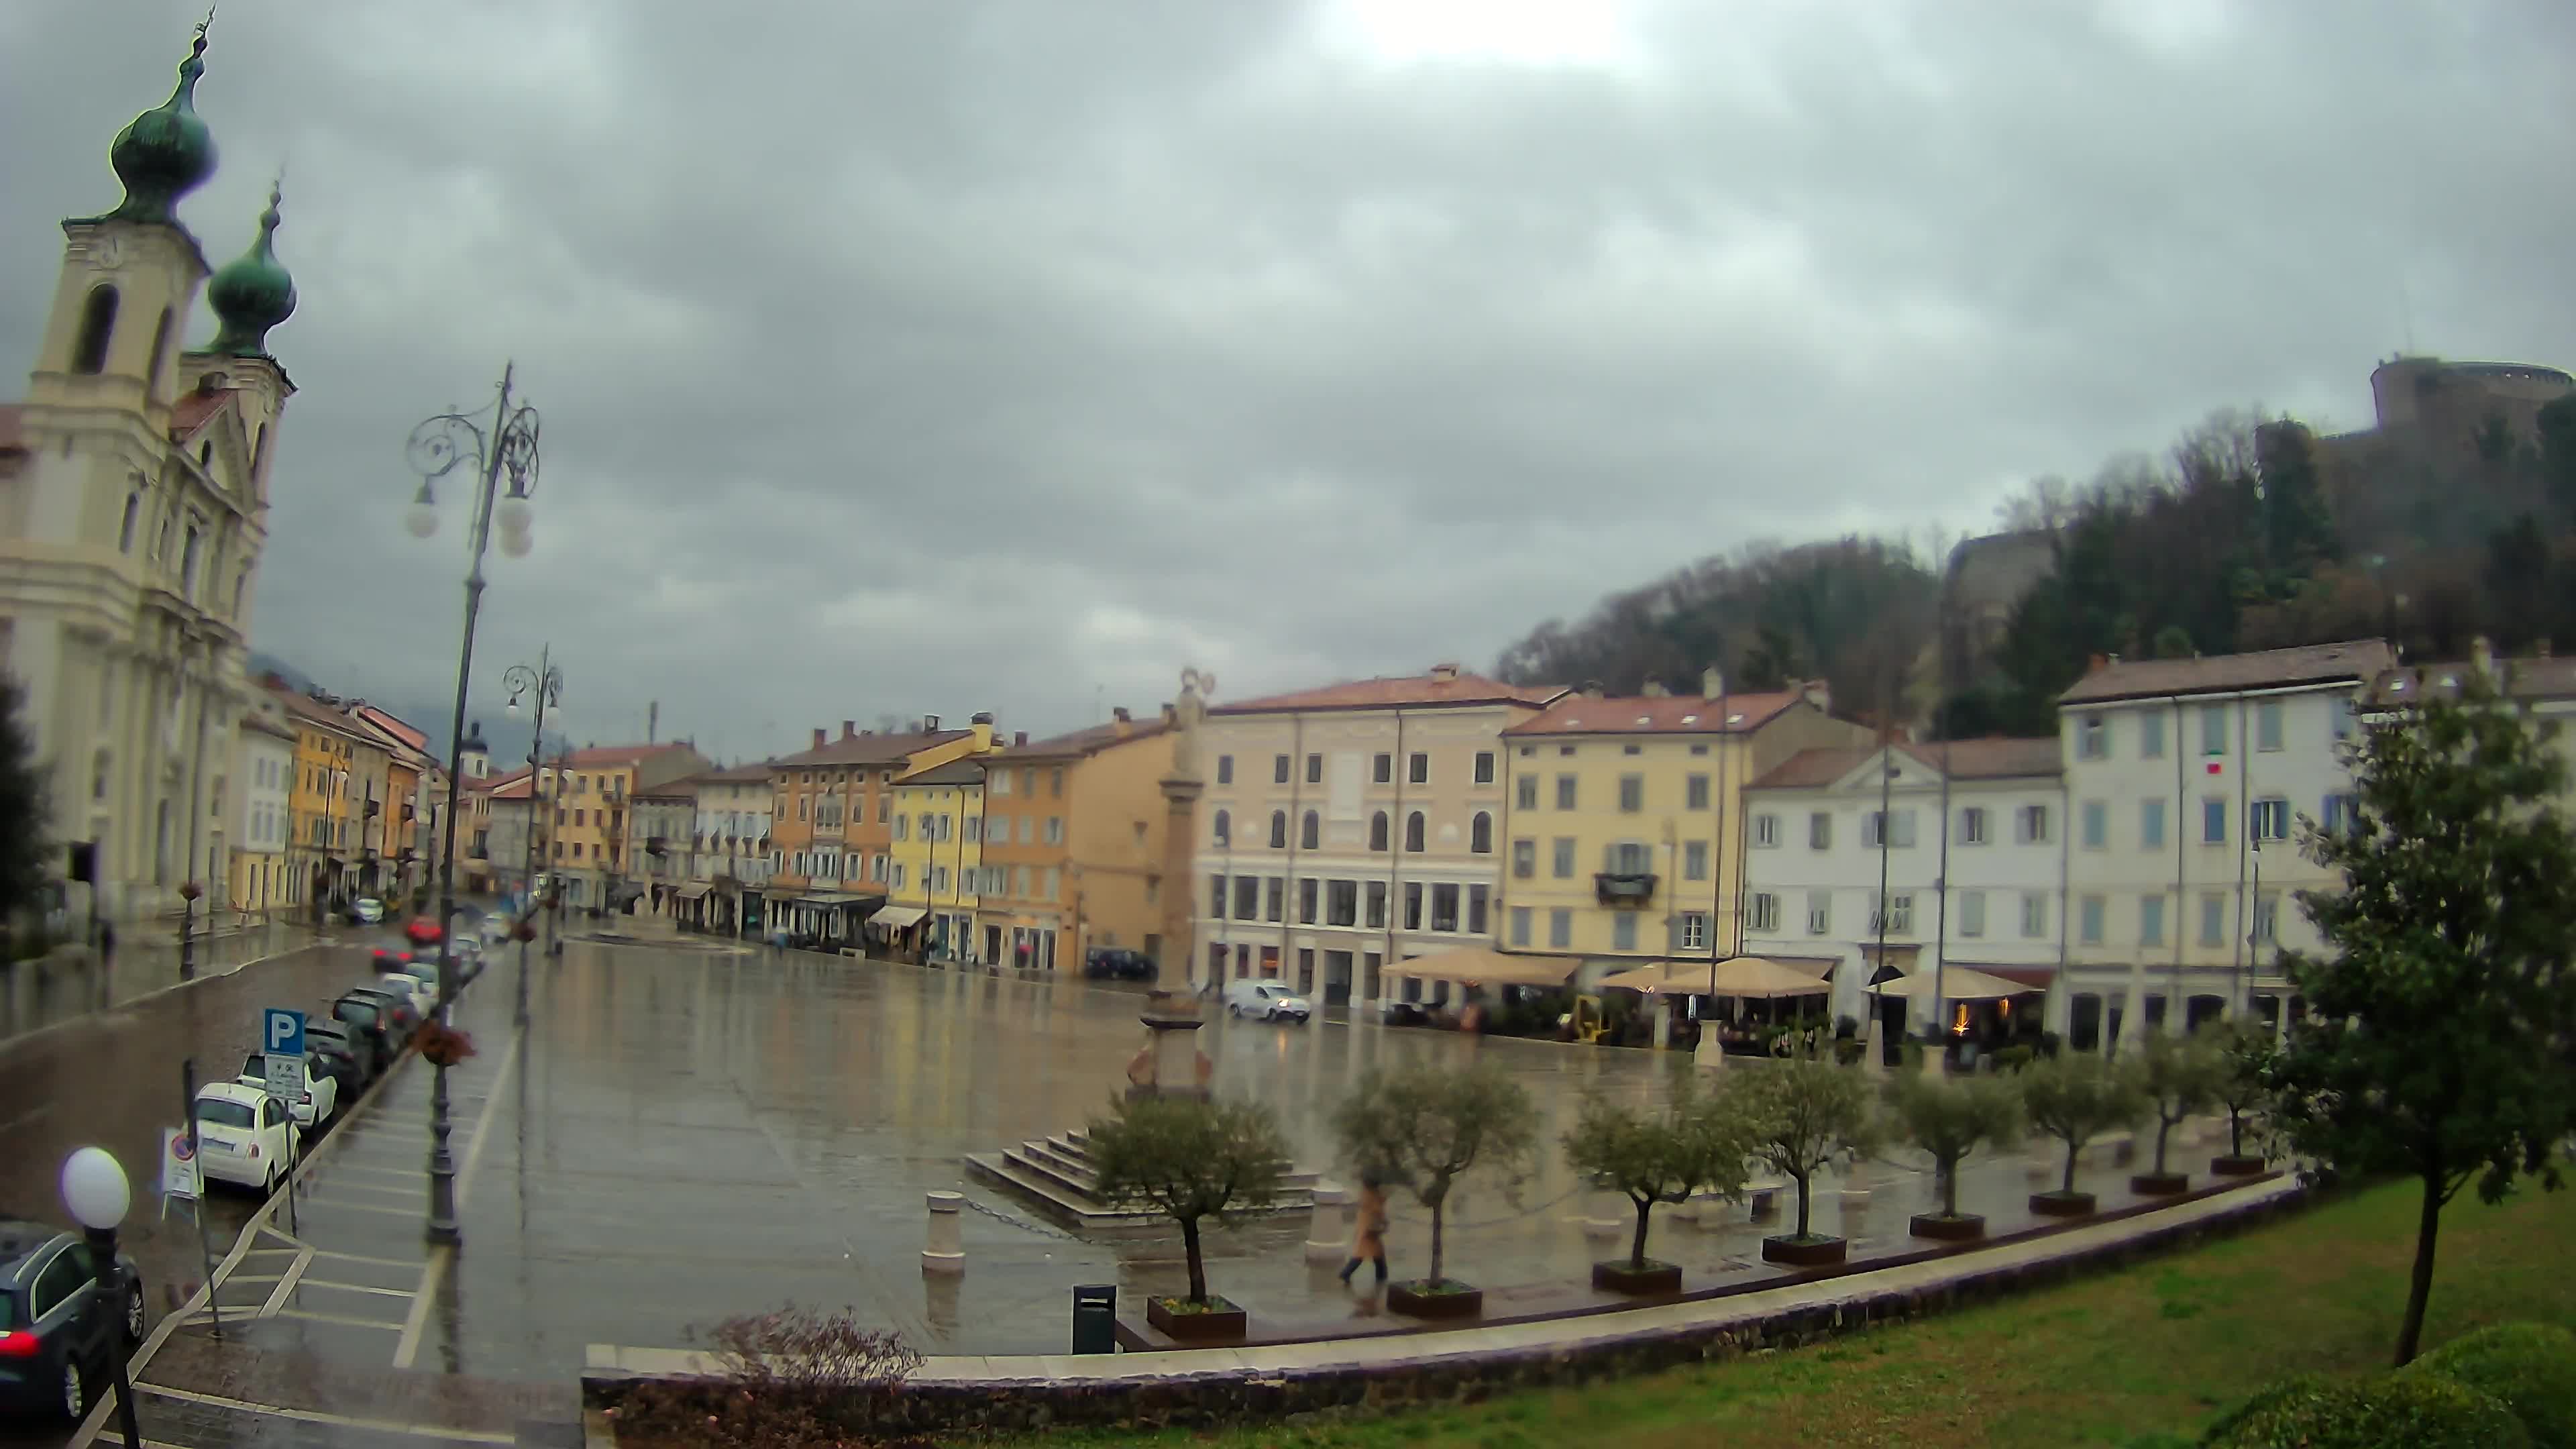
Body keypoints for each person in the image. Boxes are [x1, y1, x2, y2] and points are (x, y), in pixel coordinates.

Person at [1338, 1173, 1389, 1289]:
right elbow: (1378, 1210)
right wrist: (1384, 1222)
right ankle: (1346, 1273)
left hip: (1366, 1228)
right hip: (1370, 1230)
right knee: (1366, 1255)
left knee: (1374, 1255)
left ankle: (1381, 1278)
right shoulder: (1373, 1195)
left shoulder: (1366, 1193)